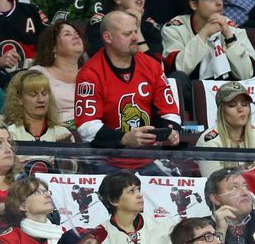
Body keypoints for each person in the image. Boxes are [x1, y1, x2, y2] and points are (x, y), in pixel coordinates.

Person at [74, 10, 183, 171]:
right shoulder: (90, 73)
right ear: (108, 37)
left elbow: (170, 112)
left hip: (148, 158)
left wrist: (170, 132)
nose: (135, 38)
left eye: (135, 31)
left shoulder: (152, 65)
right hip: (106, 161)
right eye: (127, 34)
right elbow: (86, 126)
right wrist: (124, 138)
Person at [162, 0, 255, 84]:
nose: (219, 3)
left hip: (229, 94)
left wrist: (229, 37)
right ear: (193, 4)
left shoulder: (232, 29)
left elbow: (247, 75)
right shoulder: (175, 28)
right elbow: (178, 70)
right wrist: (204, 33)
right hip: (191, 93)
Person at [94, 172, 174, 244]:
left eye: (138, 189)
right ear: (113, 200)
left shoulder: (162, 224)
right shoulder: (100, 235)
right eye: (131, 191)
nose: (140, 195)